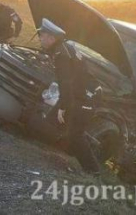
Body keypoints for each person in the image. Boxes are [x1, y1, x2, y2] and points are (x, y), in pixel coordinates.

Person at [37, 18, 99, 174]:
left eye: (42, 35)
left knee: (75, 136)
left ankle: (93, 171)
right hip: (77, 95)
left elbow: (66, 83)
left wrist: (63, 107)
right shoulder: (65, 48)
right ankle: (57, 154)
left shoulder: (61, 55)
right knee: (51, 123)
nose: (40, 38)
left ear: (51, 38)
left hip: (86, 97)